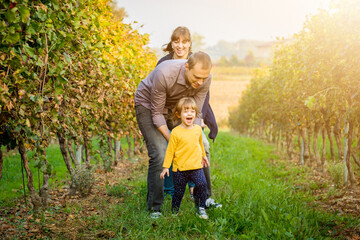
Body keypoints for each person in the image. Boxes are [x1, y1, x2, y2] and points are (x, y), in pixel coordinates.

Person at [135, 51, 212, 218]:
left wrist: (194, 141)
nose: (200, 82)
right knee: (160, 152)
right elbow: (156, 113)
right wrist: (175, 141)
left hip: (175, 107)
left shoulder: (205, 79)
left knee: (204, 145)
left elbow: (196, 114)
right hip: (148, 106)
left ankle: (204, 198)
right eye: (197, 77)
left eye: (204, 79)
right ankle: (155, 208)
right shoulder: (164, 73)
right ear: (186, 67)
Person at [157, 26, 221, 209]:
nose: (180, 45)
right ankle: (171, 192)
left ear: (190, 43)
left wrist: (198, 122)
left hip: (189, 114)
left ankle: (203, 194)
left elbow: (202, 96)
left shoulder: (196, 62)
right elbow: (156, 91)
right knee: (169, 146)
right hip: (167, 114)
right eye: (176, 41)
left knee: (204, 146)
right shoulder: (164, 63)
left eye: (184, 42)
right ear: (171, 43)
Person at [160, 97, 210, 219]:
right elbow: (170, 151)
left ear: (195, 114)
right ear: (178, 114)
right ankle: (174, 212)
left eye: (192, 111)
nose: (189, 113)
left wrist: (203, 156)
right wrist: (166, 167)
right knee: (178, 192)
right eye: (186, 111)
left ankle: (201, 207)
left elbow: (200, 145)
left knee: (202, 185)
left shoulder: (198, 129)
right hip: (180, 170)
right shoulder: (176, 132)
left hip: (196, 167)